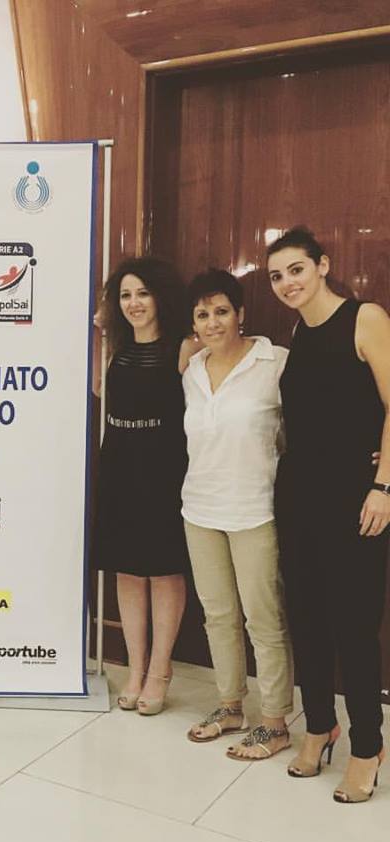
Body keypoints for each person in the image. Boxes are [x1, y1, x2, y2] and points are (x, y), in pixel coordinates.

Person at [269, 227, 390, 802]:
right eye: (276, 276)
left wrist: (384, 486)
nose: (286, 283)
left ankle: (368, 745)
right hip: (298, 496)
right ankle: (320, 727)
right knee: (307, 619)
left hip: (356, 498)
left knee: (354, 626)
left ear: (322, 265)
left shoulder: (365, 318)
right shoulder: (299, 331)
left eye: (296, 269)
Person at [181, 269, 294, 760]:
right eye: (202, 314)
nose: (213, 322)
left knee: (262, 620)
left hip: (254, 509)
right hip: (199, 507)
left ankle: (275, 722)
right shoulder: (191, 369)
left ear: (240, 314)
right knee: (218, 616)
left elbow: (307, 427)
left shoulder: (275, 363)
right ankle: (230, 707)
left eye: (222, 311)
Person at [93, 257, 193, 715]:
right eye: (125, 295)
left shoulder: (184, 347)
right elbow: (99, 389)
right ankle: (135, 671)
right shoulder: (116, 347)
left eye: (143, 293)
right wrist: (97, 330)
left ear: (160, 297)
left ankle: (160, 671)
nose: (134, 303)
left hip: (165, 467)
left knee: (164, 569)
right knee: (128, 569)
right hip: (120, 463)